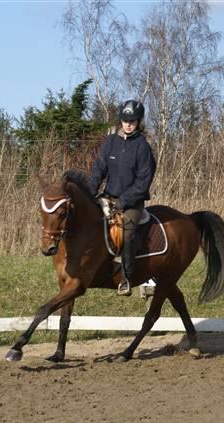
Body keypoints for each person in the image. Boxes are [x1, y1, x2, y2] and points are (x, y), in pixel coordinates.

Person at [88, 99, 157, 296]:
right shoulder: (110, 142)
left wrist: (123, 201)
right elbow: (98, 170)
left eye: (132, 121)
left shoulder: (142, 147)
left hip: (131, 203)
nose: (128, 124)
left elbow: (144, 180)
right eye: (125, 120)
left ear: (138, 122)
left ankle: (126, 279)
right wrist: (89, 191)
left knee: (126, 232)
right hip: (108, 197)